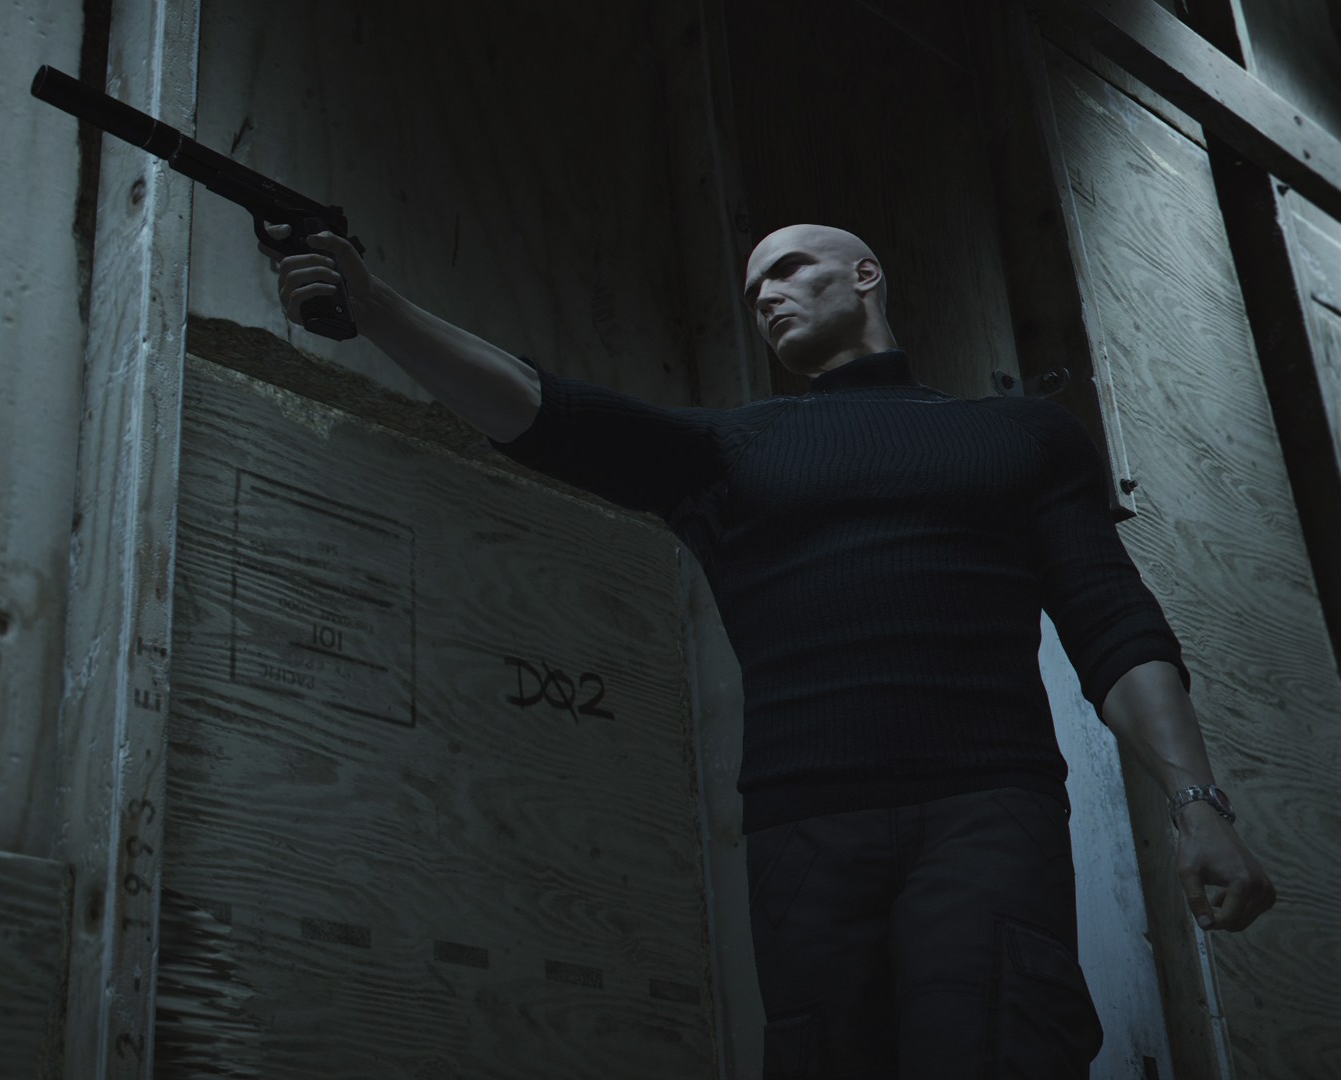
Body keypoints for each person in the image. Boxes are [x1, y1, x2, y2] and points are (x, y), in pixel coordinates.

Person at [260, 220, 1276, 1077]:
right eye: (752, 291)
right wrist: (379, 309)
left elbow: (1110, 621)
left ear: (866, 275)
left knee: (1000, 1049)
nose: (767, 296)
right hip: (806, 834)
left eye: (788, 269)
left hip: (987, 817)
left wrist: (1198, 804)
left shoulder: (1021, 436)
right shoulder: (728, 451)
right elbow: (543, 411)